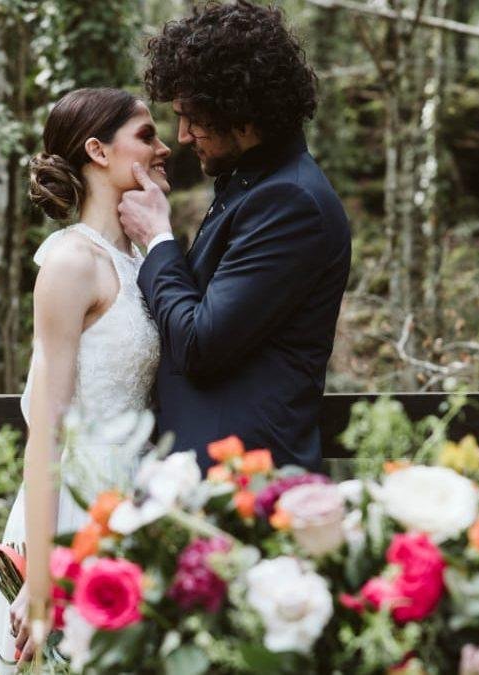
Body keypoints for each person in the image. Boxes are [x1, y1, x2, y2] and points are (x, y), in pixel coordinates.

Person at [119, 0, 353, 474]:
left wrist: (159, 239)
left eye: (193, 117)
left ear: (241, 112)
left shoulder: (290, 202)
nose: (183, 135)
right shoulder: (252, 186)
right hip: (201, 476)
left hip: (249, 485)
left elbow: (201, 345)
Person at [0, 87, 169, 672]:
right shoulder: (69, 262)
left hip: (133, 502)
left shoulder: (142, 264)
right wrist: (42, 572)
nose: (164, 148)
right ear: (97, 150)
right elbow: (46, 429)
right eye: (146, 136)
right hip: (72, 507)